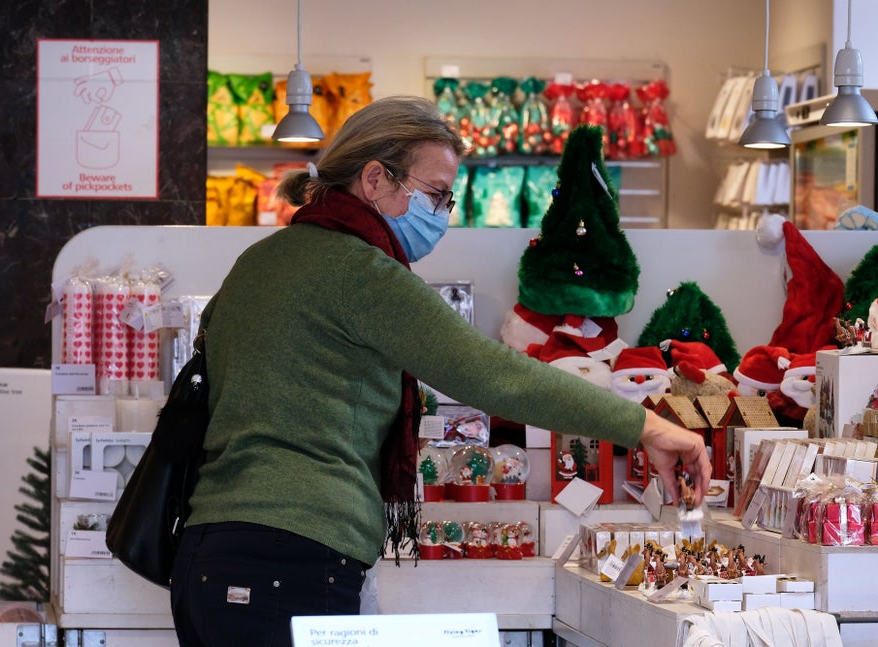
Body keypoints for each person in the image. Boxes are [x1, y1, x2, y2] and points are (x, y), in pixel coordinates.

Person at [170, 95, 711, 646]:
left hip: (207, 552)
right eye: (434, 194)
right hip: (291, 557)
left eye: (448, 200)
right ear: (375, 178)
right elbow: (493, 374)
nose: (441, 215)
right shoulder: (360, 272)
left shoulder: (259, 262)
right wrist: (646, 426)